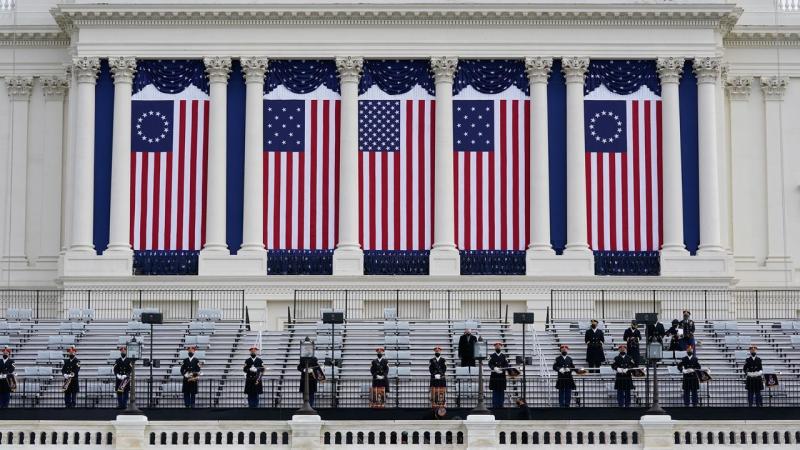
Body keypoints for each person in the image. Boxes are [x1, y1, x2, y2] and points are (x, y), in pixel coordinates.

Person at [488, 342, 508, 409]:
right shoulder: (492, 356)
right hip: (494, 375)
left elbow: (506, 365)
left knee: (501, 390)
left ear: (501, 347)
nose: (498, 347)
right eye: (496, 346)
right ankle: (495, 404)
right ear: (494, 347)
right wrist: (494, 368)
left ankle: (501, 404)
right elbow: (490, 364)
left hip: (502, 376)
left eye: (499, 346)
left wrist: (503, 370)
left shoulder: (504, 356)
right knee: (495, 390)